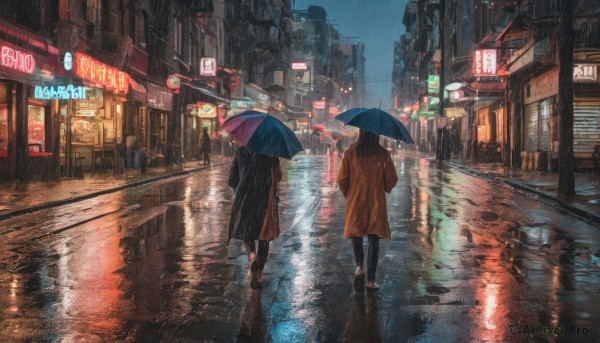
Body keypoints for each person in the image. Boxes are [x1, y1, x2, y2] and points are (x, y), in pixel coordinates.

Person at [337, 129, 398, 292]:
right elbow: (392, 178)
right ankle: (371, 280)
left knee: (356, 235)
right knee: (373, 239)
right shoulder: (383, 154)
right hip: (375, 202)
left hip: (356, 201)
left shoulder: (350, 153)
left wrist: (349, 194)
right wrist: (383, 187)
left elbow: (341, 179)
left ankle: (359, 267)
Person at [228, 146, 283, 289]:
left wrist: (241, 182)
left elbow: (232, 180)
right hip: (264, 200)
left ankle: (252, 255)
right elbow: (278, 177)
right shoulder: (271, 153)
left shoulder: (241, 151)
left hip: (245, 198)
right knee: (264, 237)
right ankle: (258, 274)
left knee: (248, 231)